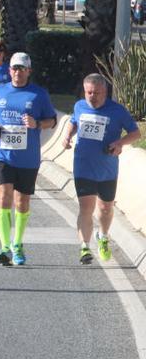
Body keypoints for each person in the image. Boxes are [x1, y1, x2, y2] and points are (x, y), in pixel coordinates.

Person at [61, 74, 140, 264]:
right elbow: (73, 121)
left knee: (105, 209)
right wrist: (67, 136)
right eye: (88, 92)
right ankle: (85, 248)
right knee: (86, 207)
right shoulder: (80, 106)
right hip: (83, 166)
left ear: (105, 92)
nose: (92, 96)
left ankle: (103, 236)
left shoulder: (117, 111)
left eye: (96, 93)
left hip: (107, 168)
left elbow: (136, 133)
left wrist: (120, 143)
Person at [0, 52, 56, 265]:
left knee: (22, 201)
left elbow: (52, 120)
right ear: (9, 71)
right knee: (4, 197)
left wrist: (37, 124)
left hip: (27, 158)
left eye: (21, 68)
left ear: (28, 71)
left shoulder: (38, 95)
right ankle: (5, 246)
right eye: (14, 68)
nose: (17, 72)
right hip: (2, 153)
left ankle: (17, 243)